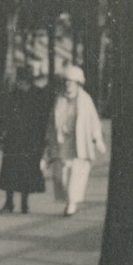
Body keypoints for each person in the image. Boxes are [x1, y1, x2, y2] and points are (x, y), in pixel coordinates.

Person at [44, 64, 107, 217]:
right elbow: (52, 122)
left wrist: (97, 138)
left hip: (79, 143)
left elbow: (93, 120)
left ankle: (71, 203)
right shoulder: (59, 100)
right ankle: (69, 200)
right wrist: (48, 143)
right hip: (62, 142)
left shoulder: (85, 100)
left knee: (76, 174)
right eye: (66, 81)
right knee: (61, 176)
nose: (68, 84)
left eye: (71, 82)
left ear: (78, 83)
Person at [0, 66, 53, 213]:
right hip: (15, 140)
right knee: (12, 171)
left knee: (24, 172)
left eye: (21, 80)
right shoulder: (15, 95)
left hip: (30, 140)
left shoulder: (38, 96)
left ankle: (23, 203)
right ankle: (10, 202)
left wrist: (44, 140)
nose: (19, 83)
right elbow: (3, 117)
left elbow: (44, 120)